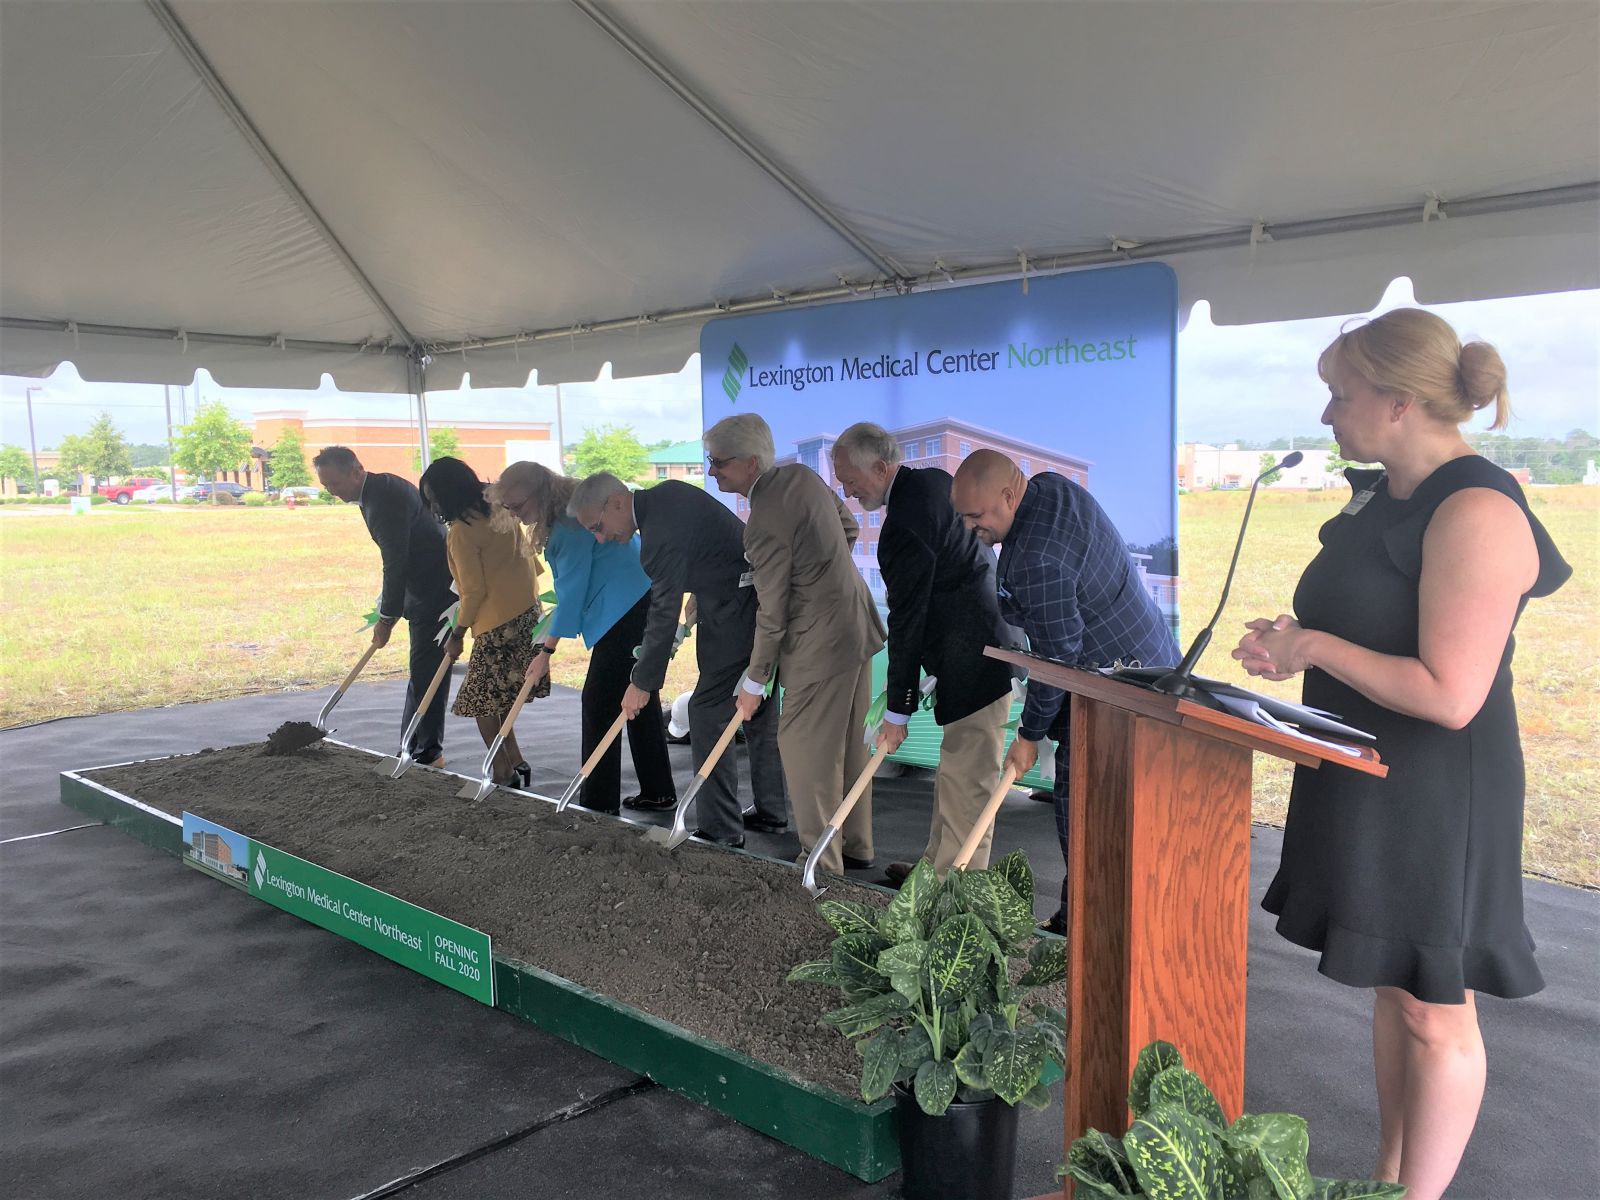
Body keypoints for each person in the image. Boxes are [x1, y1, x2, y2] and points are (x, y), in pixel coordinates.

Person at [1230, 309, 1569, 1199]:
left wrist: (1316, 652)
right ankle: (1388, 1179)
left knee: (1434, 1012)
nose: (1327, 414)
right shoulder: (1391, 494)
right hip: (1366, 772)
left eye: (1340, 395)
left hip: (1437, 793)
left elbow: (1451, 694)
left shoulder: (1479, 509)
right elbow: (1366, 625)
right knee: (1395, 989)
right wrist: (1295, 640)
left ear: (1399, 401)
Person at [950, 450, 1178, 932]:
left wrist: (1029, 736)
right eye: (962, 516)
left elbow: (1057, 660)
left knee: (1083, 808)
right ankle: (1089, 915)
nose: (969, 527)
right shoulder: (1049, 487)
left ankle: (1084, 927)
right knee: (1093, 807)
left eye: (976, 516)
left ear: (1010, 496)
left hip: (1122, 690)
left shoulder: (1036, 557)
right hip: (1142, 656)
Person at [830, 423, 1016, 880]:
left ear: (880, 466)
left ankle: (956, 889)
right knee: (956, 774)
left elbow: (907, 622)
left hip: (975, 661)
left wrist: (898, 712)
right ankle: (935, 867)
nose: (847, 491)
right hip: (978, 648)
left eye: (851, 480)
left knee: (969, 780)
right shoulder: (933, 482)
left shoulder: (903, 527)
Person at [704, 413, 886, 875]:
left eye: (719, 463)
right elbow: (848, 529)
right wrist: (822, 575)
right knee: (847, 744)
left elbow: (772, 612)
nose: (712, 472)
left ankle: (821, 860)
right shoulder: (803, 477)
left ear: (749, 463)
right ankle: (856, 844)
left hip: (819, 645)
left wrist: (755, 679)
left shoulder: (763, 520)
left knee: (805, 749)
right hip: (855, 627)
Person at [568, 472, 787, 847]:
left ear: (617, 503)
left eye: (598, 527)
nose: (600, 537)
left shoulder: (656, 536)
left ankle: (721, 828)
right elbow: (714, 548)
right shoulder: (667, 494)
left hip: (737, 606)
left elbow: (662, 612)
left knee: (707, 709)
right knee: (758, 708)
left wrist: (642, 681)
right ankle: (771, 811)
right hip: (747, 598)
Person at [488, 461, 675, 815]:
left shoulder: (569, 528)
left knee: (599, 703)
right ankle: (658, 791)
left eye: (519, 506)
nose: (515, 514)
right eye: (508, 508)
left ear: (539, 494)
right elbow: (570, 592)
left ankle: (598, 803)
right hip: (635, 600)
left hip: (626, 608)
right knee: (638, 695)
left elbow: (572, 593)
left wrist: (545, 651)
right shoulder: (562, 520)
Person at [314, 445, 455, 767]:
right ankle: (414, 746)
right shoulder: (377, 489)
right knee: (423, 671)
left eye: (335, 483)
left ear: (356, 470)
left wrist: (387, 617)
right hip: (423, 588)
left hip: (437, 591)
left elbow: (395, 561)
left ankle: (427, 752)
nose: (332, 492)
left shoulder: (384, 499)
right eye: (325, 486)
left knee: (427, 670)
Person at [418, 457, 542, 787]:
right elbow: (529, 558)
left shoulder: (461, 531)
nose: (433, 505)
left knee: (480, 700)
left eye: (433, 497)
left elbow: (473, 590)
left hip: (496, 622)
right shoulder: (499, 509)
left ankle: (502, 773)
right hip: (528, 611)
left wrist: (457, 633)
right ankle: (515, 760)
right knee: (497, 695)